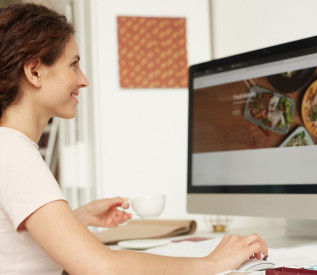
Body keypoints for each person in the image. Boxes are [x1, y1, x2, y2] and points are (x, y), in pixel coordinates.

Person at [0, 3, 268, 274]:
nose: (83, 80)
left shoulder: (9, 148)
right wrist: (212, 263)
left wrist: (76, 219)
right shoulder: (15, 153)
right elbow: (102, 267)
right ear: (34, 72)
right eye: (74, 65)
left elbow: (15, 245)